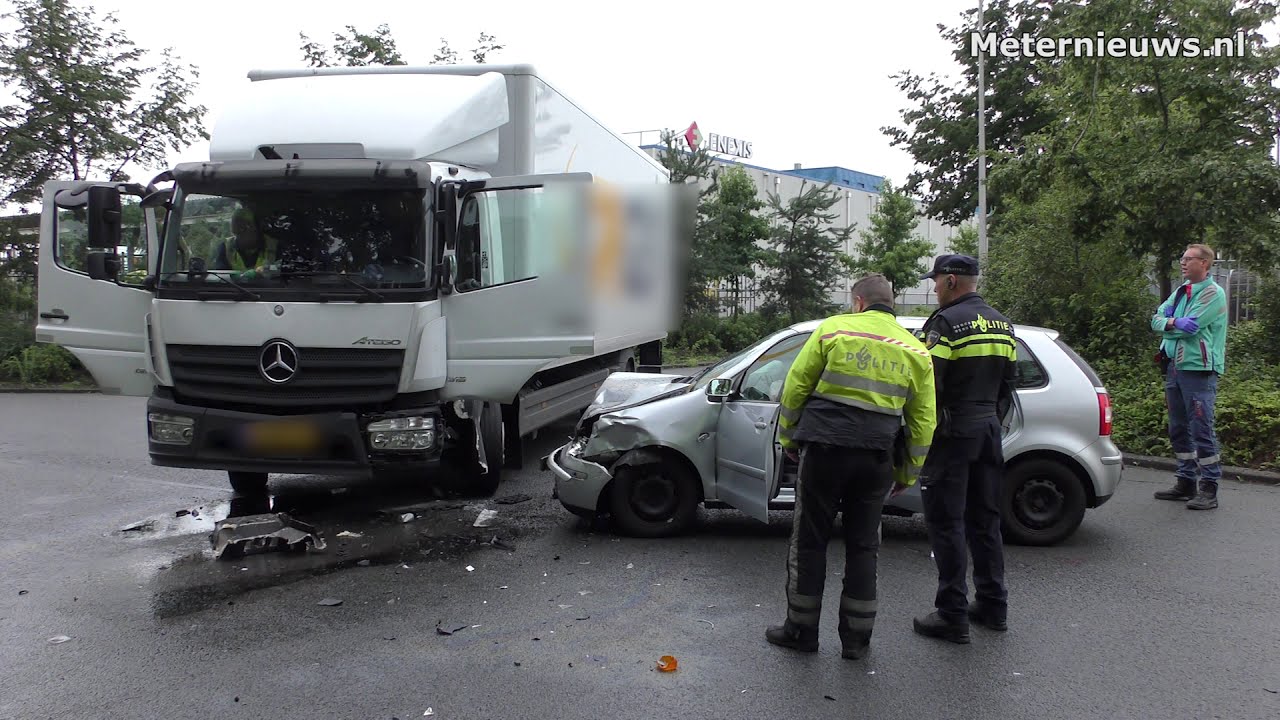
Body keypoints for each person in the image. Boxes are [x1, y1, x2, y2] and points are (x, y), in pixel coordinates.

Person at [765, 274, 937, 660]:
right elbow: (924, 421)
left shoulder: (832, 331)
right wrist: (907, 472)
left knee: (809, 543)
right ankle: (857, 642)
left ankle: (802, 632)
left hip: (824, 452)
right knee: (863, 548)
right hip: (875, 458)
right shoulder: (916, 350)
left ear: (858, 302)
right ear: (891, 305)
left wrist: (790, 439)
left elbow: (795, 388)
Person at [911, 254, 1018, 645]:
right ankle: (993, 605)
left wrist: (917, 435)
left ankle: (952, 613)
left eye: (936, 281)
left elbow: (929, 386)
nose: (934, 287)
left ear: (952, 280)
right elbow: (1009, 384)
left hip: (953, 433)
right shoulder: (1002, 324)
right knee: (985, 521)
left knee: (946, 523)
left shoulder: (945, 324)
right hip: (989, 429)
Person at [1150, 243, 1228, 511]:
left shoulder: (1214, 294)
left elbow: (1192, 328)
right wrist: (1172, 322)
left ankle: (1209, 487)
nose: (1182, 263)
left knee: (1201, 428)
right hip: (1175, 367)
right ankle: (1186, 482)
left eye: (1188, 259)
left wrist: (1171, 324)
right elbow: (1156, 320)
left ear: (1205, 263)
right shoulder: (1181, 292)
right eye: (1181, 258)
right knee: (1178, 427)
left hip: (1199, 370)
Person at [212, 207, 277, 278]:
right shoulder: (225, 247)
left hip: (270, 289)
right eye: (235, 234)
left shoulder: (274, 246)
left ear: (255, 228)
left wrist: (265, 270)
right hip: (236, 288)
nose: (238, 238)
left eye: (241, 232)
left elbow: (284, 269)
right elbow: (220, 276)